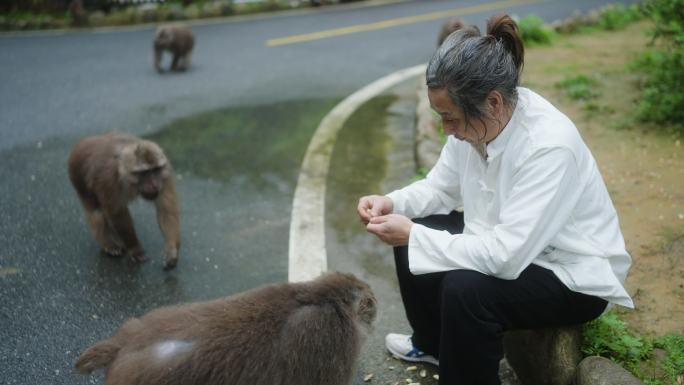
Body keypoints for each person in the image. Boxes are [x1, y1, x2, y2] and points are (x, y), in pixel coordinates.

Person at [356, 13, 633, 385]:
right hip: (512, 243)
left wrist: (414, 235)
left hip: (569, 272)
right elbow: (439, 188)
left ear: (494, 102)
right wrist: (391, 203)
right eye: (440, 117)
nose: (446, 130)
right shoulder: (477, 123)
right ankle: (435, 345)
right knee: (417, 230)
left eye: (450, 118)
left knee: (465, 290)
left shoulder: (549, 146)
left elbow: (505, 257)